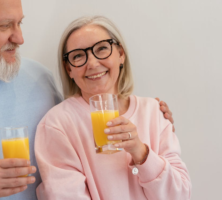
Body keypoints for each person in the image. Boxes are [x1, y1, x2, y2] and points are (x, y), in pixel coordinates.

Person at [0, 1, 174, 200]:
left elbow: (80, 127)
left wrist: (152, 120)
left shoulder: (38, 77)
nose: (19, 38)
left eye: (19, 23)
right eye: (5, 26)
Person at [35, 16, 191, 200]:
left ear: (121, 54)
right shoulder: (57, 124)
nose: (92, 64)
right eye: (78, 56)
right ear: (69, 69)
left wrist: (142, 153)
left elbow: (180, 195)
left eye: (102, 48)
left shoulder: (154, 112)